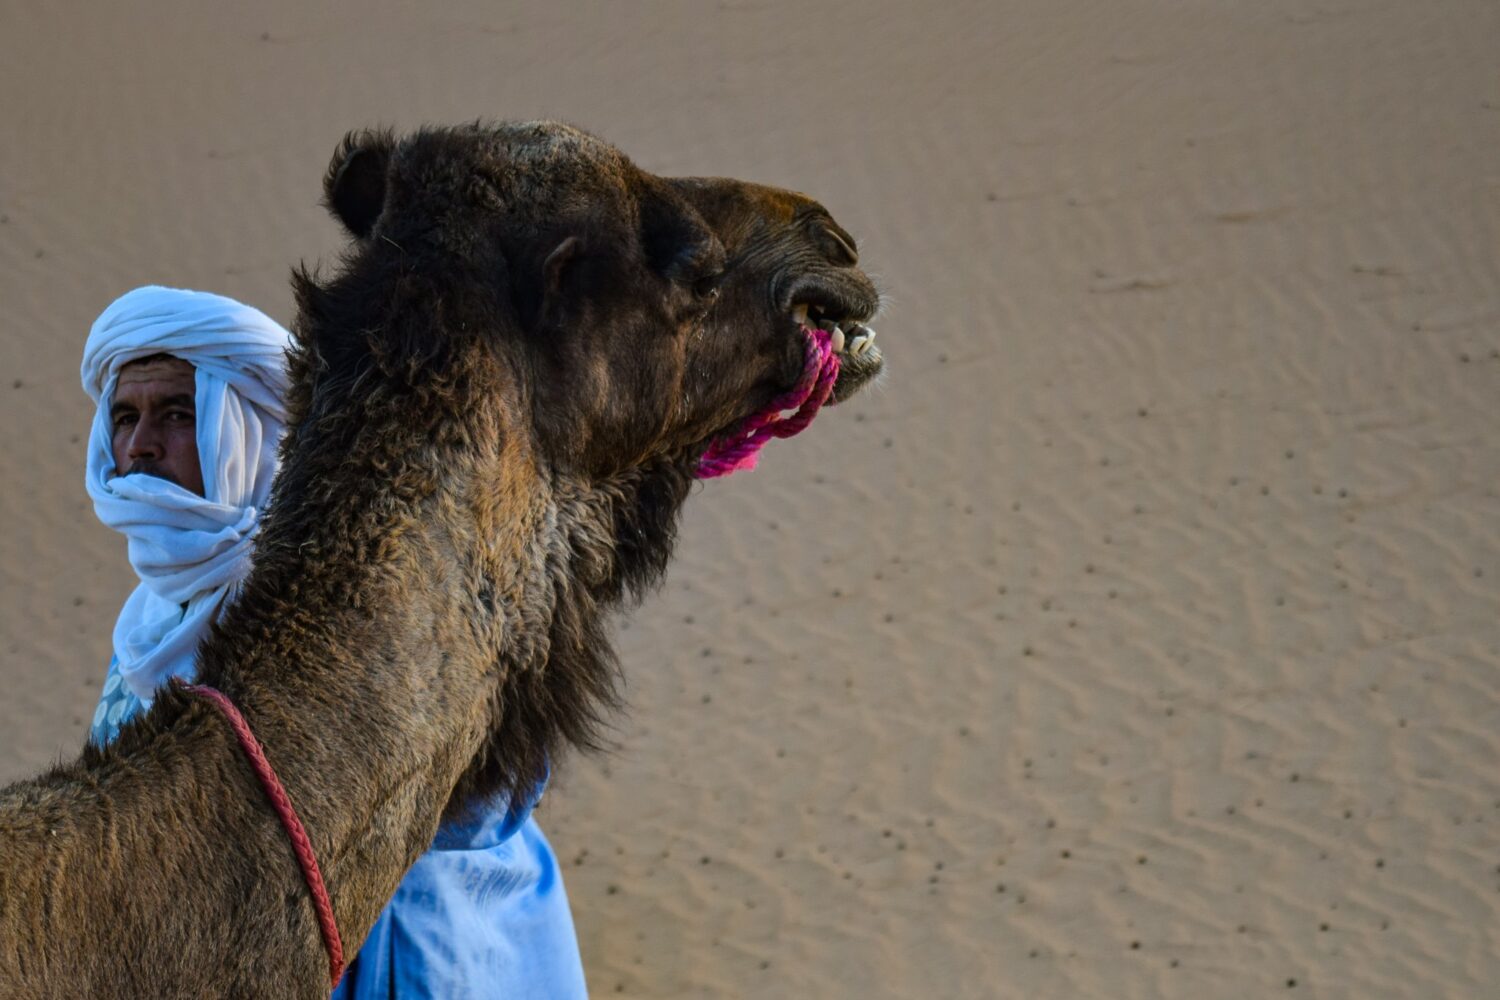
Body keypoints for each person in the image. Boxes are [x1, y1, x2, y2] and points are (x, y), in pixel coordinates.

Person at [82, 286, 589, 999]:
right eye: (125, 417)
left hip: (428, 947)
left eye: (177, 413)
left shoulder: (360, 588)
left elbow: (489, 788)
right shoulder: (151, 620)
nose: (138, 447)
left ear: (247, 427)